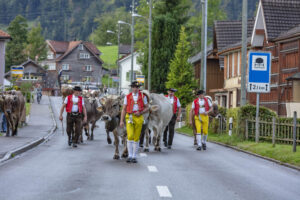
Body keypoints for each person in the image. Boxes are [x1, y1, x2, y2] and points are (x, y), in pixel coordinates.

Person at [120, 81, 149, 163]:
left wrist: (141, 112)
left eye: (137, 87)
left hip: (139, 117)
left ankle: (134, 156)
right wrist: (121, 121)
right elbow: (124, 109)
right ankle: (129, 155)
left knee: (136, 137)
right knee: (130, 136)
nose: (135, 89)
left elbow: (147, 108)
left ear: (138, 88)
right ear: (131, 88)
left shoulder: (143, 97)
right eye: (133, 87)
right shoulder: (127, 97)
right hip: (129, 117)